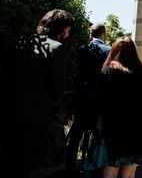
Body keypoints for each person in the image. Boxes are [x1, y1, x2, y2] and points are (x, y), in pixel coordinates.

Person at [7, 9, 74, 178]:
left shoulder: (20, 41)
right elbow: (56, 88)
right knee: (26, 161)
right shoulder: (57, 48)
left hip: (9, 109)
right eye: (68, 29)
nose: (68, 34)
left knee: (10, 158)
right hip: (36, 115)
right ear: (62, 28)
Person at [98, 37, 142, 178]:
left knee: (110, 168)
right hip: (138, 127)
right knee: (129, 172)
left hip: (113, 127)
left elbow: (100, 100)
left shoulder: (108, 71)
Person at [66, 22, 111, 175]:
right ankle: (92, 163)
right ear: (103, 34)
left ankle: (70, 163)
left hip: (81, 96)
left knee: (77, 130)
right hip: (98, 98)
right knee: (97, 131)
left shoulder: (82, 49)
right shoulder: (108, 50)